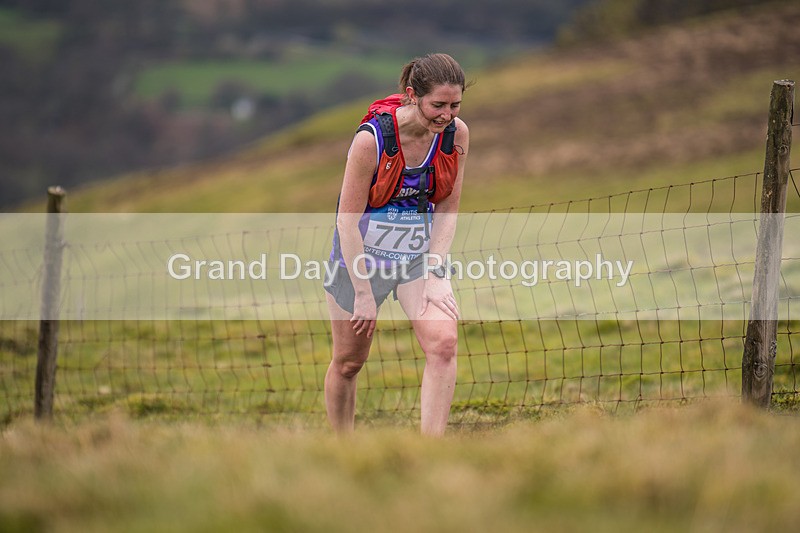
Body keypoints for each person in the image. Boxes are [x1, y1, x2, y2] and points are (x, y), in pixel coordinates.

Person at [323, 53, 470, 436]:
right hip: (359, 259)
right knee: (348, 363)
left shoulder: (457, 135)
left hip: (416, 259)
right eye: (438, 105)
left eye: (455, 105)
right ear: (412, 95)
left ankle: (429, 450)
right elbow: (346, 221)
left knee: (443, 343)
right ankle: (342, 450)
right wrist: (363, 292)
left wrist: (437, 271)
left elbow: (448, 208)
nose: (446, 115)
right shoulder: (371, 140)